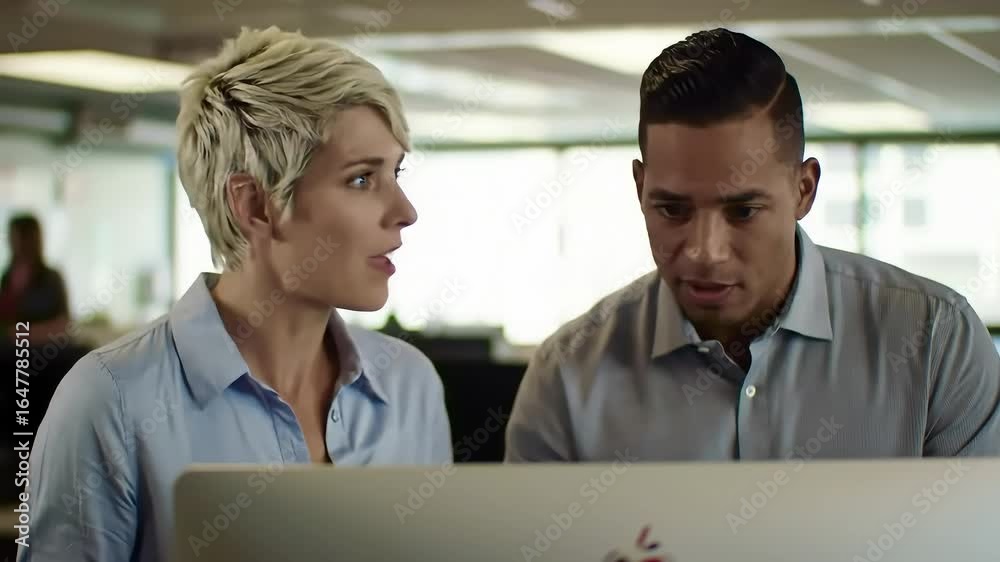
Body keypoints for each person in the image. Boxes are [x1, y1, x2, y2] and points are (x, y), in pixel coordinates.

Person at [17, 26, 453, 562]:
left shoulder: (410, 388)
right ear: (254, 205)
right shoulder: (112, 400)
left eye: (396, 172)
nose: (405, 211)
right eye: (362, 179)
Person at [505, 28, 1000, 463]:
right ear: (640, 188)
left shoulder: (936, 342)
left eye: (742, 211)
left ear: (803, 190)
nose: (706, 252)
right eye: (673, 209)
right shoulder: (566, 375)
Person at [0, 213, 70, 343]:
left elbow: (64, 325)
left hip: (45, 348)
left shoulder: (51, 278)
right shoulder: (7, 277)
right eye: (13, 237)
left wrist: (22, 334)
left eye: (22, 237)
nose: (17, 243)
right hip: (12, 349)